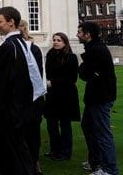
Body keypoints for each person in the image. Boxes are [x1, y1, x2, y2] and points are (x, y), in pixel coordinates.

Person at [0, 6, 44, 175]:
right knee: (20, 153)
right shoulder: (20, 44)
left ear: (11, 22)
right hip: (21, 107)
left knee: (13, 158)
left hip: (10, 111)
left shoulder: (8, 47)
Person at [78, 21, 118, 175]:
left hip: (101, 97)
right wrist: (88, 72)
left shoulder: (97, 50)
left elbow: (84, 73)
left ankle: (109, 169)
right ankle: (96, 162)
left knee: (102, 134)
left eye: (80, 32)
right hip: (94, 96)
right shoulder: (92, 48)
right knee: (87, 127)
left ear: (88, 34)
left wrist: (87, 71)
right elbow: (85, 72)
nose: (77, 35)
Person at [44, 32, 80, 161]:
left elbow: (71, 79)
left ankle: (65, 152)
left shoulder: (71, 58)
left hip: (66, 95)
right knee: (51, 124)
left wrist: (52, 82)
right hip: (52, 95)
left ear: (65, 42)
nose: (55, 42)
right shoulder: (50, 55)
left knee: (65, 125)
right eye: (54, 40)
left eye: (58, 40)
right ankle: (55, 149)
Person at [20, 20, 46, 175]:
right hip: (35, 98)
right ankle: (35, 164)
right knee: (33, 133)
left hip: (27, 98)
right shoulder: (35, 48)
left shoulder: (30, 49)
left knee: (26, 134)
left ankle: (31, 164)